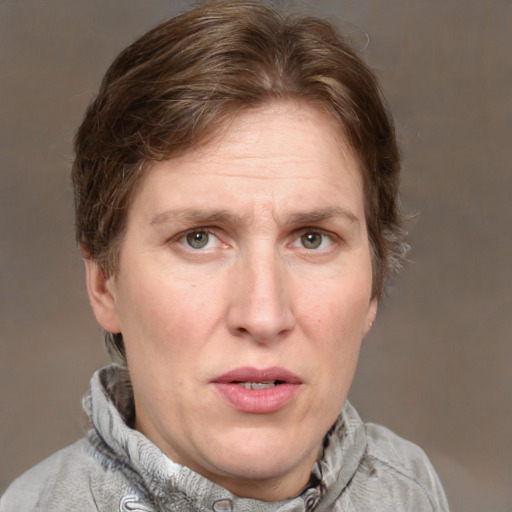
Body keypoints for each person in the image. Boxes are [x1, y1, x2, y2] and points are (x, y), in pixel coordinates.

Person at [0, 1, 450, 510]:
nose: (263, 315)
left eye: (311, 238)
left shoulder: (409, 489)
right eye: (198, 238)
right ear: (105, 282)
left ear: (374, 284)